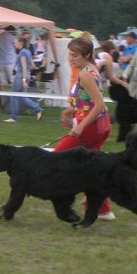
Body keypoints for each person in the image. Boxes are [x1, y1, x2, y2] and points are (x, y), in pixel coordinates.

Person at [54, 37, 114, 220]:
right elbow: (85, 102)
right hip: (99, 127)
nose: (71, 59)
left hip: (89, 129)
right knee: (91, 169)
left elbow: (99, 105)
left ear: (86, 55)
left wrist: (79, 127)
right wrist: (68, 112)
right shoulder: (90, 69)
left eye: (75, 56)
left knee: (54, 160)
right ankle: (102, 210)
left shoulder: (85, 74)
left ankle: (64, 201)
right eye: (70, 55)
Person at [4, 37, 43, 123]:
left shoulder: (22, 53)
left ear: (20, 43)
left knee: (14, 96)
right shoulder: (28, 52)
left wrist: (24, 80)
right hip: (27, 75)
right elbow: (32, 65)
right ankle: (37, 109)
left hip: (21, 76)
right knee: (21, 97)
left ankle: (14, 117)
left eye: (15, 42)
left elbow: (24, 67)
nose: (14, 44)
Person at [0, 25, 17, 106]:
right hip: (10, 62)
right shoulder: (12, 37)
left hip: (0, 62)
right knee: (13, 82)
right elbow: (16, 48)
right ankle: (14, 101)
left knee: (2, 83)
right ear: (12, 31)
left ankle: (2, 102)